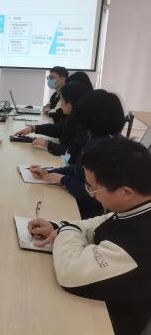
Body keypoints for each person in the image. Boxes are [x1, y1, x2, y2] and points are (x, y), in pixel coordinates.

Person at [27, 138, 151, 335]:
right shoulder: (137, 205)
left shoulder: (140, 241)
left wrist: (66, 231)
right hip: (98, 297)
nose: (91, 193)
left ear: (126, 192)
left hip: (110, 320)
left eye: (92, 188)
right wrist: (57, 226)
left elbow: (70, 271)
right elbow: (96, 223)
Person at [31, 89, 126, 218]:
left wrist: (63, 179)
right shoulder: (99, 138)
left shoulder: (106, 148)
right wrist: (49, 172)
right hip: (80, 199)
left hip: (91, 213)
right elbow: (78, 168)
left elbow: (93, 194)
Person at [15, 82, 89, 164]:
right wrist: (34, 128)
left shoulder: (84, 124)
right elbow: (59, 128)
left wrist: (47, 144)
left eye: (61, 99)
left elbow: (73, 153)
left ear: (70, 103)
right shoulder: (73, 116)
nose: (60, 103)